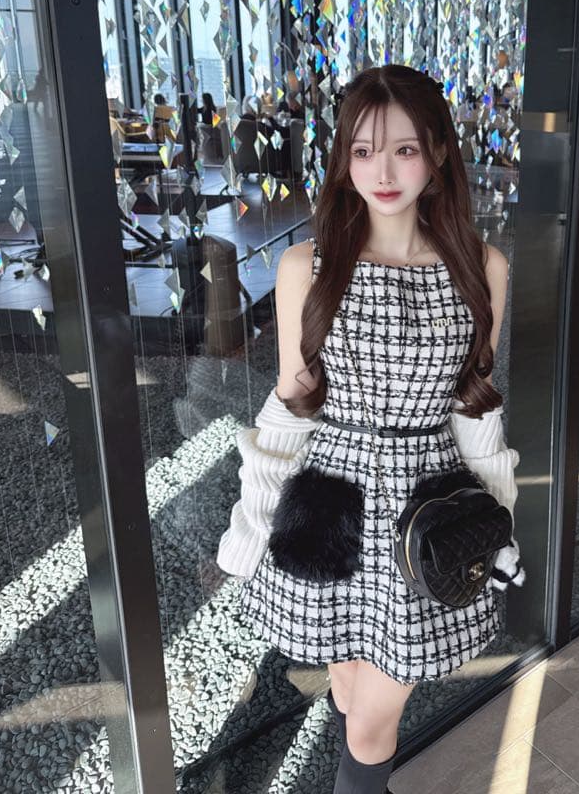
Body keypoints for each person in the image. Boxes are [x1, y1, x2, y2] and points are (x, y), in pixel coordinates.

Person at [216, 65, 525, 794]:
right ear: (343, 159)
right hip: (330, 505)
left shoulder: (481, 268)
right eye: (362, 151)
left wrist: (498, 525)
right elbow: (292, 402)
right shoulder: (307, 266)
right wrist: (251, 525)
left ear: (438, 153)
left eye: (404, 150)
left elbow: (475, 408)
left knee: (369, 723)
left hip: (427, 511)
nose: (381, 173)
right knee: (350, 687)